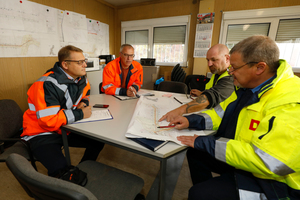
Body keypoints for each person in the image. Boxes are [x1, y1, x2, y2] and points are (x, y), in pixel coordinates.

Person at [170, 35, 300, 200]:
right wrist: (192, 120)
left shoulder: (290, 101)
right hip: (247, 160)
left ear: (260, 68)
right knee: (196, 154)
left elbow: (268, 161)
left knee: (198, 194)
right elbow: (220, 112)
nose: (230, 72)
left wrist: (206, 142)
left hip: (276, 183)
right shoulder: (247, 86)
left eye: (235, 67)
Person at [21, 45, 105, 178]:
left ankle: (83, 167)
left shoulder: (81, 78)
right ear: (65, 64)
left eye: (84, 60)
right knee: (61, 171)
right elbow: (47, 120)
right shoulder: (47, 84)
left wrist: (84, 103)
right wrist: (80, 114)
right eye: (80, 62)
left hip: (65, 127)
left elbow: (86, 94)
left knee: (98, 140)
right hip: (41, 133)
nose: (85, 65)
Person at [159, 44, 234, 122]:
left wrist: (178, 111)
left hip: (221, 121)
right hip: (209, 115)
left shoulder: (231, 77)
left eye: (214, 60)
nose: (209, 64)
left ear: (227, 58)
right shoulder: (218, 72)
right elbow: (217, 92)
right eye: (208, 60)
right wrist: (202, 93)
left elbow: (211, 97)